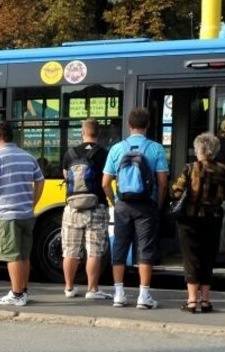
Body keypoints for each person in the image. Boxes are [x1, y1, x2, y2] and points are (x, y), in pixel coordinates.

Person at [103, 107, 169, 309]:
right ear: (148, 125)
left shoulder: (116, 149)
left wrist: (115, 201)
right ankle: (144, 295)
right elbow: (163, 182)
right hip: (146, 205)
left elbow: (105, 182)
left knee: (120, 247)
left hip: (123, 204)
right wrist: (157, 204)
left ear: (129, 125)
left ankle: (119, 294)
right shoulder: (156, 148)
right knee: (145, 248)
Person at [168, 133, 225, 313]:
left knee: (191, 258)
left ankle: (191, 301)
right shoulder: (223, 170)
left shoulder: (190, 168)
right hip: (214, 218)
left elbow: (176, 192)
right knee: (208, 258)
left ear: (199, 150)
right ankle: (205, 300)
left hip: (189, 219)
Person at [0, 120, 44, 306]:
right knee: (24, 255)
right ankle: (23, 291)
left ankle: (16, 295)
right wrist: (32, 202)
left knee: (12, 256)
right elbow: (40, 180)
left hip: (7, 213)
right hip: (26, 213)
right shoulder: (27, 156)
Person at [60, 119, 111, 299]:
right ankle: (92, 289)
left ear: (83, 132)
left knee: (70, 250)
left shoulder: (70, 153)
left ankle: (69, 288)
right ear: (98, 133)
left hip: (73, 208)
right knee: (94, 251)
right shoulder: (104, 154)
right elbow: (107, 181)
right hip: (97, 206)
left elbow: (66, 178)